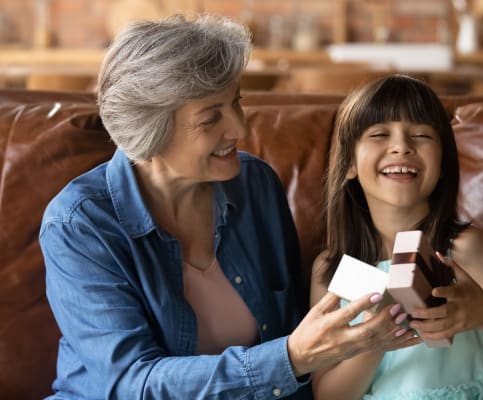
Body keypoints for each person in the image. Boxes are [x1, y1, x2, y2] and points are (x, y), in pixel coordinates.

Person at [39, 14, 409, 399]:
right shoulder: (79, 225)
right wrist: (291, 358)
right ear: (150, 129)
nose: (239, 128)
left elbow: (294, 330)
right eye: (210, 118)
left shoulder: (255, 185)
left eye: (236, 103)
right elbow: (134, 384)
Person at [310, 75, 483, 399]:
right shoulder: (335, 268)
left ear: (444, 163)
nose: (402, 146)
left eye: (421, 134)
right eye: (379, 134)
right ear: (349, 163)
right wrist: (373, 342)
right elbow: (327, 395)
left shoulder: (464, 250)